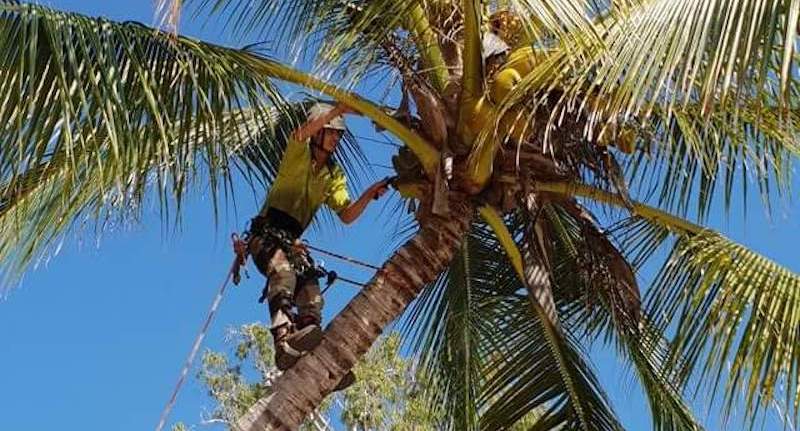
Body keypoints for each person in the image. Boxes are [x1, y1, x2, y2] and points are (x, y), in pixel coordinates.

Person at [247, 102, 390, 390]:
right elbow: (301, 133)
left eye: (338, 135)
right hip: (266, 236)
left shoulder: (333, 175)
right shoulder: (297, 154)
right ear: (319, 132)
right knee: (284, 273)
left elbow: (347, 214)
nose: (336, 139)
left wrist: (369, 193)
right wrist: (340, 109)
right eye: (332, 133)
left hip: (293, 242)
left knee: (311, 292)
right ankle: (283, 339)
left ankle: (315, 353)